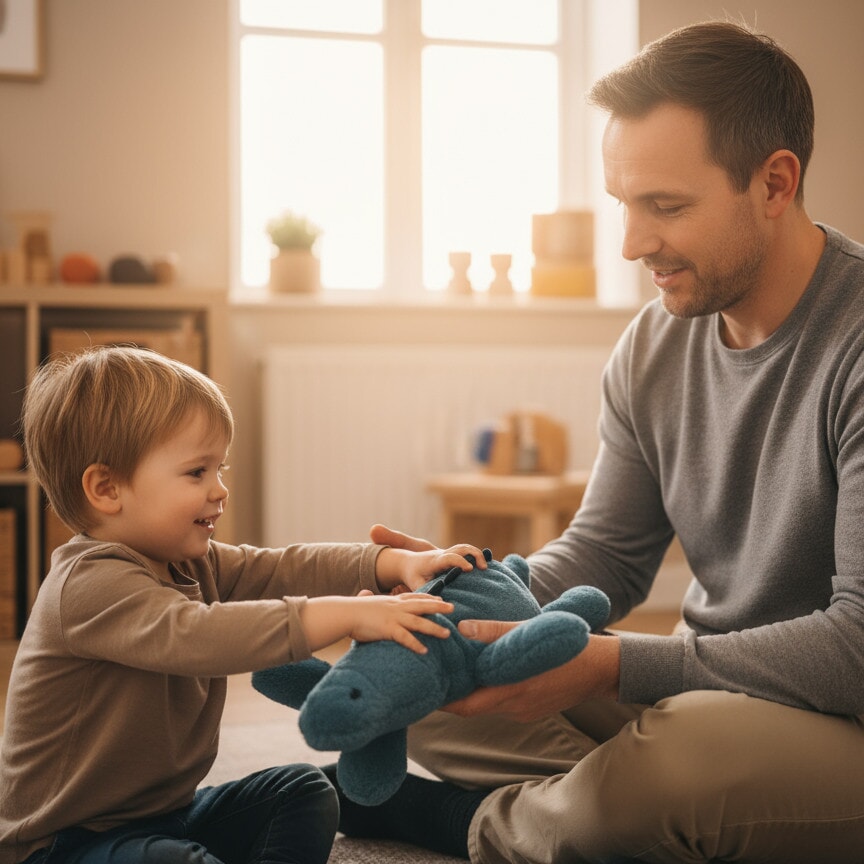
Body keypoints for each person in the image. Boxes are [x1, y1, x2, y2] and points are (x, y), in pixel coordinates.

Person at [326, 19, 864, 864]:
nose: (632, 244)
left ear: (774, 182)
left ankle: (480, 821)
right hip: (709, 697)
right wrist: (465, 597)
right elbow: (608, 556)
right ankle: (595, 811)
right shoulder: (656, 344)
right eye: (625, 203)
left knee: (678, 760)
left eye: (667, 207)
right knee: (424, 682)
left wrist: (613, 667)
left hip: (843, 719)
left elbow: (856, 647)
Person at [0, 345, 487, 864]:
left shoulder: (192, 562)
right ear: (106, 488)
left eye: (220, 468)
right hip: (66, 844)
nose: (220, 489)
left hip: (168, 814)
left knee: (305, 791)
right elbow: (196, 634)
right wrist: (349, 613)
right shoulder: (86, 583)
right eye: (197, 473)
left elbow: (281, 567)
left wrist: (391, 563)